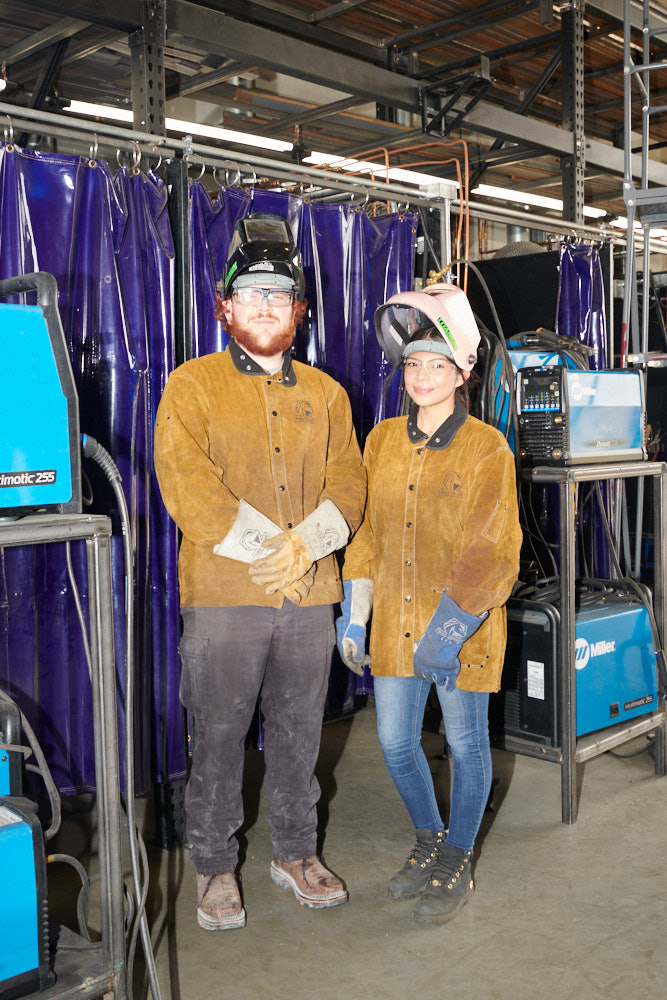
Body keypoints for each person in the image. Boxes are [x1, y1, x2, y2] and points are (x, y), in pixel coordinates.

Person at [154, 213, 366, 931]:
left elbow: (350, 483)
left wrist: (307, 546)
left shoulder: (329, 395)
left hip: (310, 596)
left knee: (301, 729)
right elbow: (186, 484)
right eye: (251, 293)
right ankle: (214, 865)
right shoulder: (192, 387)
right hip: (222, 598)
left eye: (281, 293)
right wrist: (268, 550)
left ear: (300, 310)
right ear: (225, 307)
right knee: (217, 733)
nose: (267, 304)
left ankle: (295, 852)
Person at [336, 282, 522, 926]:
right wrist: (355, 613)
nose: (421, 376)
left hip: (459, 630)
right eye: (412, 363)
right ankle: (429, 836)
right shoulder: (382, 440)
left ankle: (458, 856)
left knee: (468, 747)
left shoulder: (487, 449)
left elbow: (493, 549)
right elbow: (365, 535)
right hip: (392, 623)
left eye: (437, 364)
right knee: (393, 742)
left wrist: (449, 630)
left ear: (463, 372)